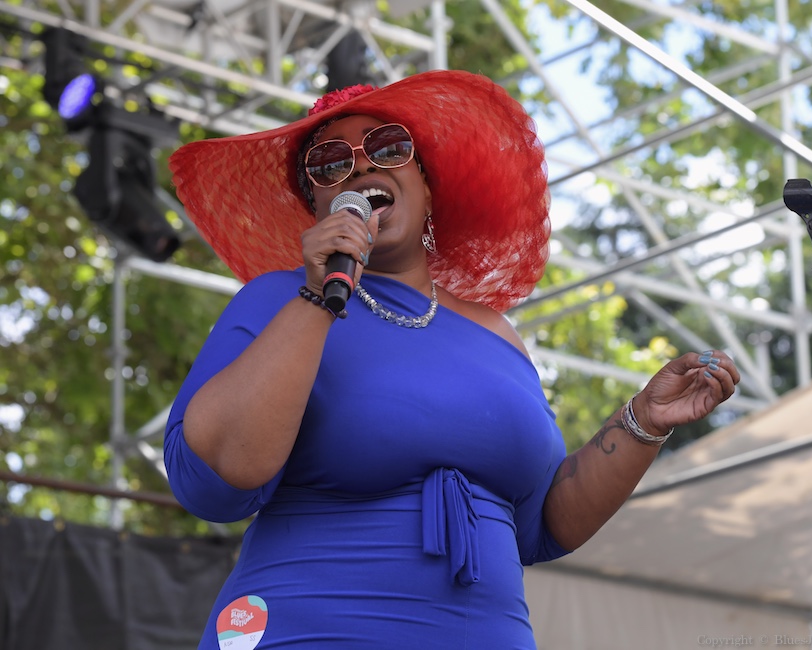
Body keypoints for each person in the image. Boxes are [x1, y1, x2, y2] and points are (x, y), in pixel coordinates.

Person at [164, 69, 740, 649]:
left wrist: (641, 421)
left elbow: (541, 524)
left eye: (388, 147)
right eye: (329, 164)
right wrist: (318, 296)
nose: (361, 168)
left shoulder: (497, 335)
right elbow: (213, 481)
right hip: (310, 631)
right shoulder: (277, 299)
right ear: (315, 204)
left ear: (428, 186)